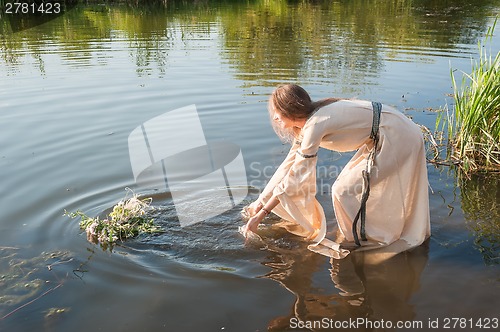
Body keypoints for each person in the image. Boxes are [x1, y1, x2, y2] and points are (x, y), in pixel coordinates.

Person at [242, 84, 430, 259]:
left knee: (343, 191)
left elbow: (295, 176)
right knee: (344, 189)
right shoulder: (307, 125)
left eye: (277, 113)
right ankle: (357, 235)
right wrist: (260, 201)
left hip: (397, 135)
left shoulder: (315, 124)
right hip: (382, 135)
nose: (274, 118)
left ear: (289, 111)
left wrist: (261, 216)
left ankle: (365, 243)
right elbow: (288, 165)